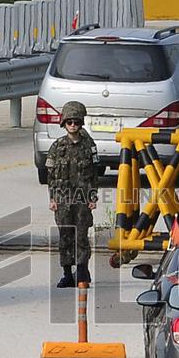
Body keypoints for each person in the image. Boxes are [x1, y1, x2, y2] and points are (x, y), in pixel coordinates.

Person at [46, 101, 99, 288]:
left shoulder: (89, 146)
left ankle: (83, 273)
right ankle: (67, 274)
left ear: (81, 123)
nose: (73, 126)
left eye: (76, 122)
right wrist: (52, 199)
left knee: (81, 236)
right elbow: (51, 176)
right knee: (65, 236)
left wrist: (93, 198)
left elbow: (94, 174)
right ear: (64, 124)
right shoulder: (57, 147)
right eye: (70, 122)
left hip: (82, 199)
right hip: (62, 200)